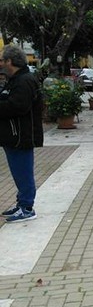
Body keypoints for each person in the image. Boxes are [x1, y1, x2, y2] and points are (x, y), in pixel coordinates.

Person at [0, 45, 44, 222]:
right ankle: (21, 203)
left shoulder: (24, 80)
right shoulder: (16, 79)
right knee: (18, 172)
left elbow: (18, 106)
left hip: (21, 136)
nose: (1, 64)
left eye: (3, 60)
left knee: (23, 172)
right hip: (13, 136)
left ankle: (26, 208)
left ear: (10, 61)